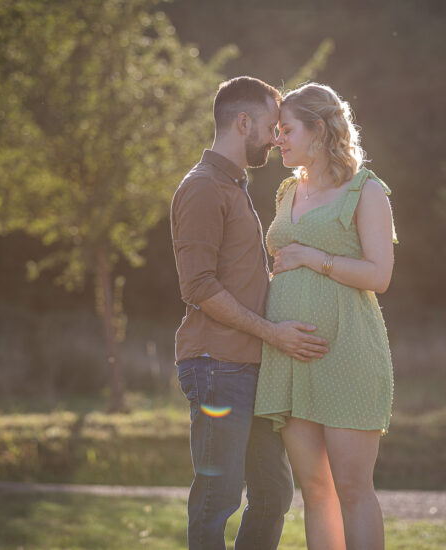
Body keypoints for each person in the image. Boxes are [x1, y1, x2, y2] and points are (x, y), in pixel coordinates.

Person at [170, 76, 330, 550]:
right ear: (243, 122)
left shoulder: (233, 185)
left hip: (251, 365)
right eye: (269, 126)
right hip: (217, 365)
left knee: (274, 493)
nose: (277, 136)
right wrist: (273, 333)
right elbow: (198, 287)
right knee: (219, 493)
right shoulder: (202, 188)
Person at [254, 83, 397, 550]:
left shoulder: (365, 190)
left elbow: (379, 275)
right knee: (315, 491)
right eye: (276, 131)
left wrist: (312, 258)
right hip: (292, 359)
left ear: (318, 130)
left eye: (286, 129)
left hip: (347, 355)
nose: (278, 139)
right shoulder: (286, 191)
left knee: (353, 490)